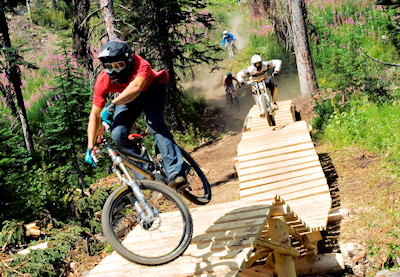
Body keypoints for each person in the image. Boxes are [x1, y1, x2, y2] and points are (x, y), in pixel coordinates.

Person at [84, 40, 187, 188]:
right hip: (126, 99)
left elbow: (136, 87)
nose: (115, 71)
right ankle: (147, 177)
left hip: (153, 90)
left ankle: (176, 172)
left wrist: (112, 104)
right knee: (117, 134)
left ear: (129, 61)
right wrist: (89, 147)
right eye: (109, 67)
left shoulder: (141, 64)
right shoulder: (103, 80)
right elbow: (94, 116)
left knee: (155, 123)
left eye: (119, 65)